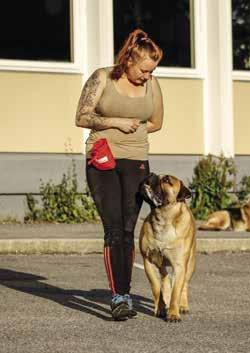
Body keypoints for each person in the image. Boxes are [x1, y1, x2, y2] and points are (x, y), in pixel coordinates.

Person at [75, 29, 163, 321]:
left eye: (152, 71)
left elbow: (156, 123)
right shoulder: (103, 77)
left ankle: (123, 292)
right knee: (113, 228)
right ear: (128, 60)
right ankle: (120, 297)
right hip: (103, 158)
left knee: (128, 229)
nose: (147, 76)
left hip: (136, 160)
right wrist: (114, 122)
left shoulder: (153, 85)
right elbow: (81, 117)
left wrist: (134, 129)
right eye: (144, 70)